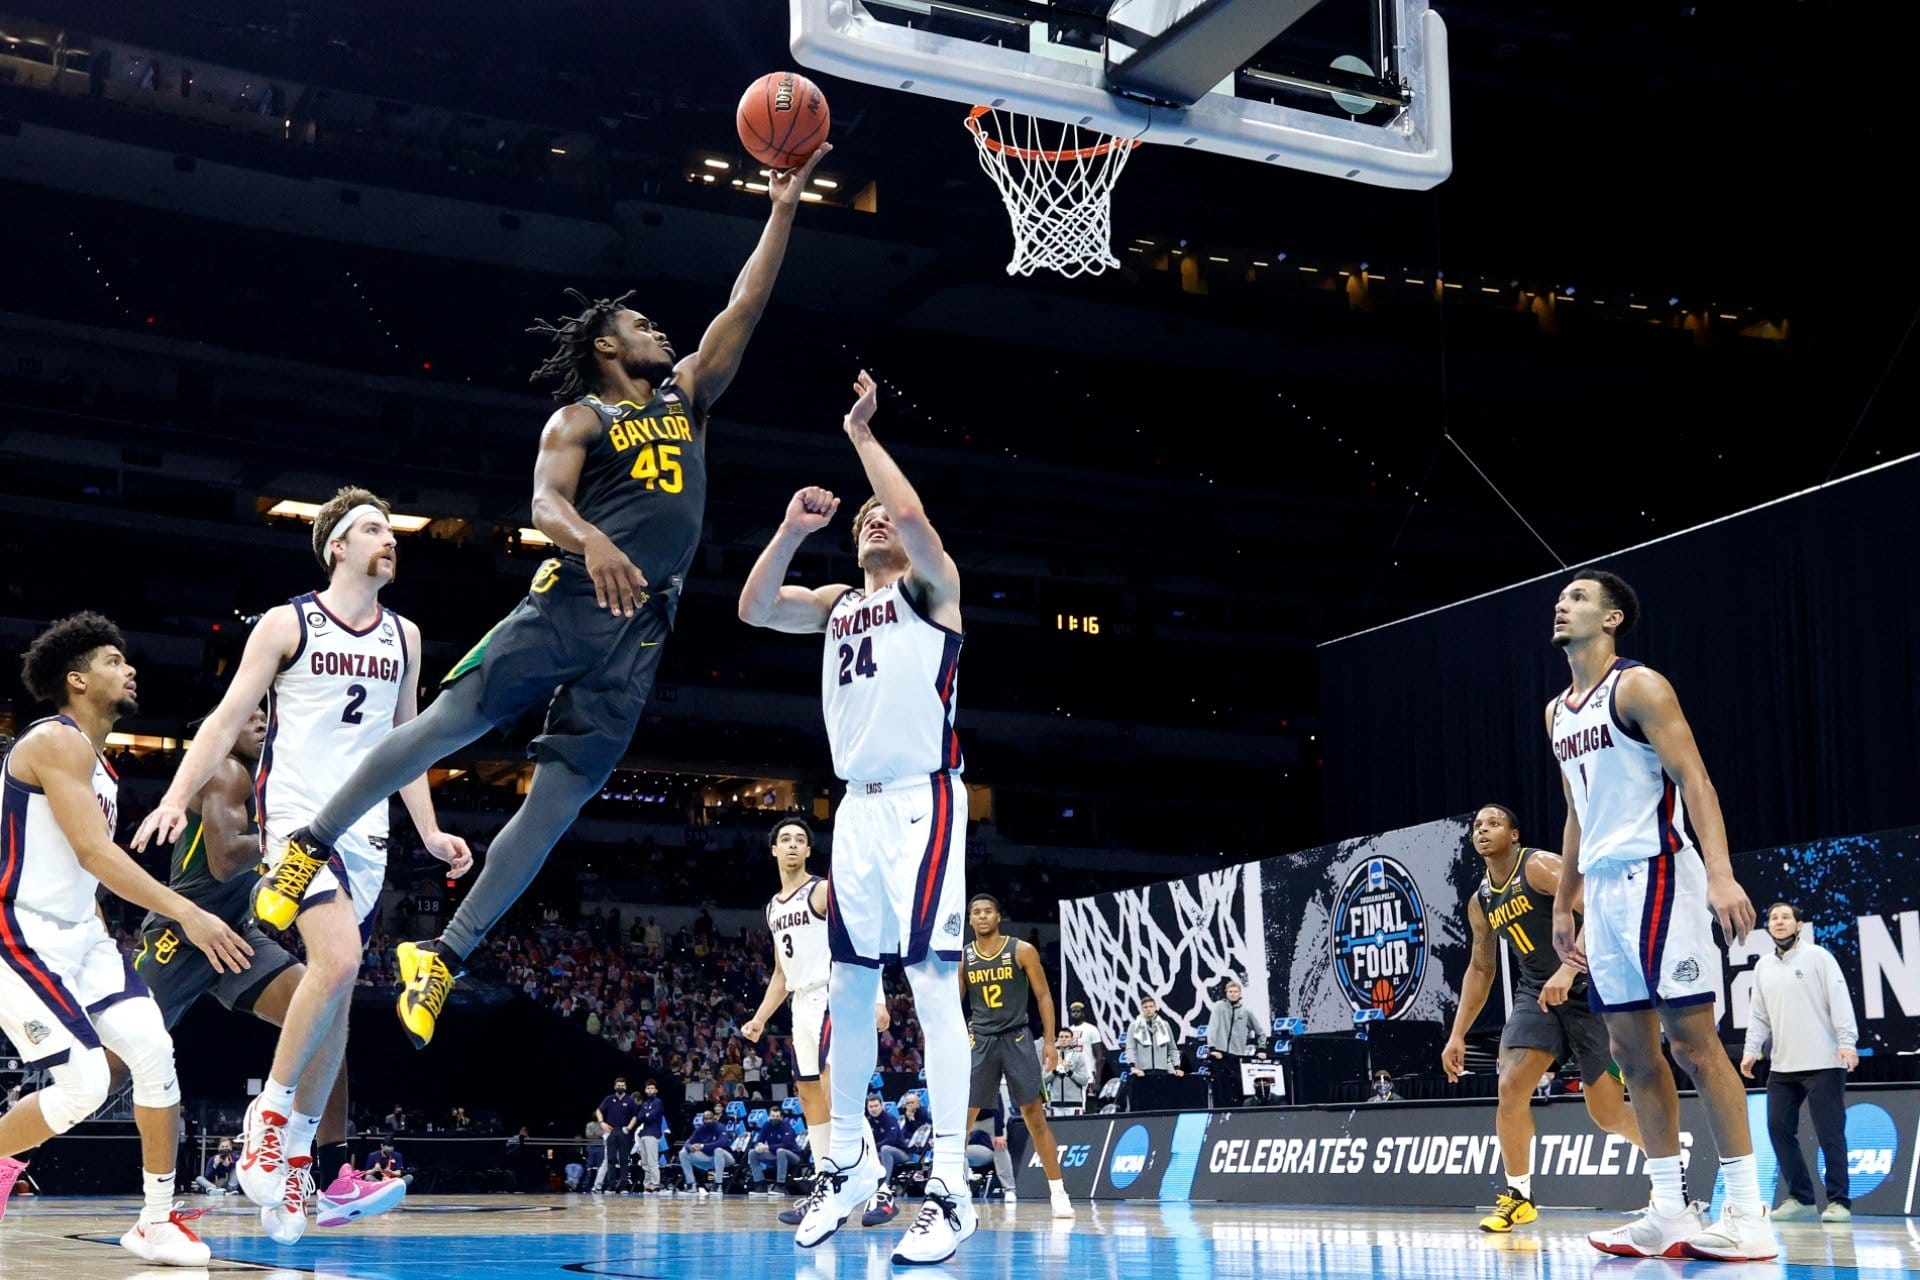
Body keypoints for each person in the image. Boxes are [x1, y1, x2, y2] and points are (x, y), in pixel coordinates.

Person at [226, 149, 831, 1055]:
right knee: (444, 726)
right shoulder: (580, 419)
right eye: (638, 323)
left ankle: (445, 952)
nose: (657, 329)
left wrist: (782, 208)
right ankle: (312, 838)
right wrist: (594, 540)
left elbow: (743, 304)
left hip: (644, 633)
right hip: (570, 601)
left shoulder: (688, 392)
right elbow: (545, 505)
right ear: (605, 347)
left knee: (554, 810)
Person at [131, 487, 470, 1243]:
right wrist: (178, 798)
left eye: (392, 530)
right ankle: (269, 1119)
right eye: (374, 530)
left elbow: (407, 742)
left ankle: (294, 1161)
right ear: (337, 547)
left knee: (339, 1002)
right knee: (340, 958)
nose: (390, 539)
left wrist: (430, 827)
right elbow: (224, 720)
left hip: (368, 837)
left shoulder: (406, 636)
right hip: (299, 825)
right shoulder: (290, 622)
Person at [737, 372, 975, 1265]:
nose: (877, 518)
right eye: (862, 515)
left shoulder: (932, 590)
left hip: (924, 800)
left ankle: (950, 1186)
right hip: (858, 812)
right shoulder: (839, 604)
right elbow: (755, 609)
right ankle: (846, 1170)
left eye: (884, 513)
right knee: (848, 991)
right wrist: (795, 530)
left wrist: (864, 439)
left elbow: (915, 521)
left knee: (932, 984)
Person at [0, 613, 251, 1263]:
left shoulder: (102, 767)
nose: (129, 667)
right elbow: (91, 853)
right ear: (76, 679)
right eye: (114, 660)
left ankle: (156, 1220)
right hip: (18, 933)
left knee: (151, 1048)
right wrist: (188, 913)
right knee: (83, 1082)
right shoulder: (55, 742)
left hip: (82, 936)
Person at [1545, 569, 1777, 1261]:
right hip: (1608, 893)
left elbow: (1694, 778)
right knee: (1629, 1053)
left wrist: (1723, 872)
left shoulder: (1639, 686)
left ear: (1613, 619)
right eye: (1562, 598)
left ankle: (1746, 1211)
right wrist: (1566, 899)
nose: (1563, 604)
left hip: (1662, 873)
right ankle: (1670, 1210)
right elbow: (1577, 811)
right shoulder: (1557, 711)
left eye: (1580, 598)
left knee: (1692, 1042)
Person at [127, 706, 401, 1230]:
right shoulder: (225, 770)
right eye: (249, 715)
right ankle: (12, 1159)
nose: (260, 721)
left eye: (265, 715)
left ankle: (330, 1174)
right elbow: (227, 857)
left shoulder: (275, 784)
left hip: (236, 937)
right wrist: (310, 835)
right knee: (111, 1069)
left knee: (328, 1020)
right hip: (181, 938)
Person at [1441, 804, 1643, 1233]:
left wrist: (1570, 968)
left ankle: (1668, 1163)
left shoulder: (1539, 867)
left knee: (1607, 1115)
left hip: (1592, 988)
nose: (1482, 830)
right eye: (1476, 826)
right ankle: (1519, 1196)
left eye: (1493, 824)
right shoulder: (1481, 902)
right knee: (1510, 1084)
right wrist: (1457, 1033)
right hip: (1537, 994)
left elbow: (1600, 909)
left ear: (1514, 835)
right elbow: (1481, 969)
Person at [738, 816, 888, 1222]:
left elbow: (861, 939)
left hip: (832, 995)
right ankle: (829, 1184)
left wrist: (877, 996)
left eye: (799, 840)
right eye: (783, 839)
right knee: (808, 1095)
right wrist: (759, 1018)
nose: (790, 845)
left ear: (807, 850)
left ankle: (879, 1188)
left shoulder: (821, 891)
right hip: (800, 1003)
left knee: (835, 1088)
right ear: (773, 850)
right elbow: (782, 973)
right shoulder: (772, 907)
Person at [1741, 901, 1860, 1223]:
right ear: (1768, 927)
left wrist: (1847, 1043)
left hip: (1824, 1062)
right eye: (1773, 918)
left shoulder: (1819, 957)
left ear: (1799, 925)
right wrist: (1752, 1049)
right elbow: (1758, 1015)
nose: (1778, 922)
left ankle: (1839, 1202)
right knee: (1778, 1129)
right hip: (1782, 1067)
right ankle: (1802, 1198)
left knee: (1830, 1135)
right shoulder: (1763, 966)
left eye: (1785, 917)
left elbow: (1839, 1001)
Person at [961, 894, 1073, 1218]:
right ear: (970, 920)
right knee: (964, 1118)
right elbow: (953, 1004)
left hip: (1018, 1037)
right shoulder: (963, 958)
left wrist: (1049, 1042)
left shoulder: (1021, 950)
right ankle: (953, 1190)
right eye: (976, 913)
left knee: (1034, 1116)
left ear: (998, 916)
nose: (982, 917)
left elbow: (1043, 996)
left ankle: (1058, 1193)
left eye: (988, 912)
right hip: (980, 1039)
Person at [1205, 979, 1260, 1108]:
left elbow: (1260, 1032)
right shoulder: (1219, 1006)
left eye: (1235, 991)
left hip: (1237, 1057)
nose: (1233, 994)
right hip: (1219, 1055)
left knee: (1236, 1089)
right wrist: (1213, 1048)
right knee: (1220, 1090)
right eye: (1230, 991)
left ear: (1240, 993)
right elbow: (1213, 1027)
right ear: (1226, 993)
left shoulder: (1246, 1011)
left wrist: (1262, 1048)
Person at [859, 1095, 912, 1225]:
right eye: (870, 1106)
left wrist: (872, 1149)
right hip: (881, 1152)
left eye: (876, 1106)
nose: (873, 1109)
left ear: (881, 1105)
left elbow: (891, 1140)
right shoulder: (868, 1122)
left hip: (901, 1154)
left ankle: (884, 1187)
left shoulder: (890, 1119)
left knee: (885, 1149)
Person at [593, 1075, 638, 1194]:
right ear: (614, 1086)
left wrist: (628, 1128)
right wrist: (602, 1123)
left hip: (624, 1133)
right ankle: (611, 1186)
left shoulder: (630, 1100)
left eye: (622, 1086)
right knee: (611, 1160)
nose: (620, 1087)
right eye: (618, 1086)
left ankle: (624, 1186)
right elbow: (598, 1111)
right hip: (611, 1132)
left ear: (626, 1087)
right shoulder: (609, 1099)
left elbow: (635, 1116)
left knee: (624, 1160)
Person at [677, 1108, 734, 1195]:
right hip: (709, 1159)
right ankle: (691, 1184)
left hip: (726, 1158)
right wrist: (690, 1147)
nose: (707, 1121)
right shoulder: (700, 1129)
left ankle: (718, 1185)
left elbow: (722, 1142)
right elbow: (687, 1143)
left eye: (709, 1119)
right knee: (683, 1153)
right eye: (705, 1119)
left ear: (714, 1118)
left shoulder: (720, 1126)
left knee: (718, 1150)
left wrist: (703, 1146)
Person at [749, 1106, 805, 1193]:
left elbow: (786, 1145)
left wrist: (767, 1147)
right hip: (775, 1155)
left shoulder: (786, 1126)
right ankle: (760, 1184)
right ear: (769, 1116)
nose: (775, 1118)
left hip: (793, 1156)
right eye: (773, 1116)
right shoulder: (767, 1125)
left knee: (780, 1151)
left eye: (777, 1116)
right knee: (752, 1153)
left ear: (781, 1117)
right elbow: (760, 1140)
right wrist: (758, 1146)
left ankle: (780, 1185)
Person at [1047, 1029, 1094, 1115]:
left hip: (1074, 1104)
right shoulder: (1051, 1058)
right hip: (1055, 1104)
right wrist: (1055, 1071)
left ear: (1072, 1039)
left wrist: (1069, 1072)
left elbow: (1084, 1080)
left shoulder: (1078, 1057)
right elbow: (1043, 1080)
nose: (1064, 1039)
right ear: (1057, 1039)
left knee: (1075, 1128)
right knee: (1055, 1129)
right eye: (1061, 1037)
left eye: (1067, 1037)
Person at [633, 1078, 667, 1193]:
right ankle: (647, 1186)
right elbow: (640, 1117)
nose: (650, 1090)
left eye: (652, 1088)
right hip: (643, 1134)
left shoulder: (658, 1102)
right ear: (645, 1090)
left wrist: (646, 1115)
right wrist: (646, 1115)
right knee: (645, 1162)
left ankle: (655, 1185)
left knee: (652, 1162)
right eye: (648, 1088)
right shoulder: (644, 1104)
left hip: (652, 1134)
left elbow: (651, 1117)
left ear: (656, 1090)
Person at [1066, 1000, 1105, 1093]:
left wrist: (1098, 1080)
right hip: (1072, 1073)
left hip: (1088, 1072)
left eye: (1078, 1011)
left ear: (1083, 1013)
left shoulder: (1091, 1029)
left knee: (1087, 1103)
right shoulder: (1067, 1031)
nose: (1075, 1014)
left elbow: (1099, 1056)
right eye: (1073, 1011)